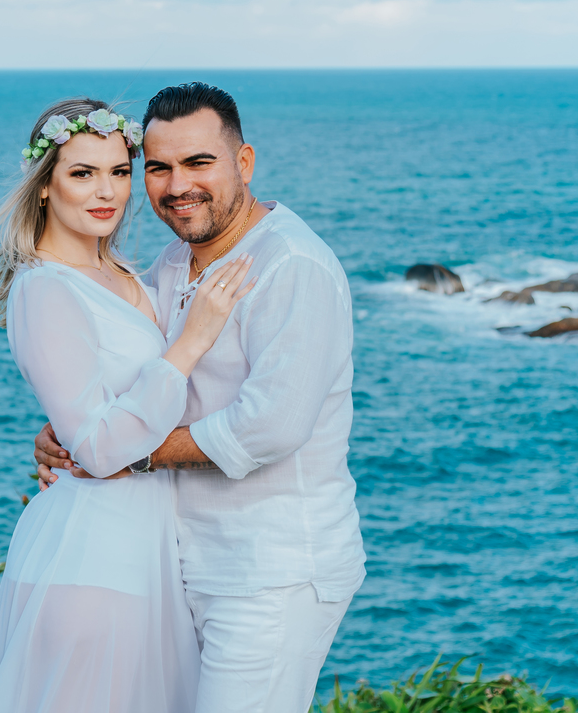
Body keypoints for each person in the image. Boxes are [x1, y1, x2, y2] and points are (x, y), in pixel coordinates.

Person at [34, 83, 366, 713]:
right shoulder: (167, 265)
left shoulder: (291, 264)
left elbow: (271, 426)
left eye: (199, 163)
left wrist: (126, 455)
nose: (177, 184)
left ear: (243, 163)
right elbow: (138, 383)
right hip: (178, 564)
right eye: (157, 167)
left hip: (270, 571)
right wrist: (73, 434)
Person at [0, 97, 255, 713]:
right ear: (44, 186)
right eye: (82, 173)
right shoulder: (42, 287)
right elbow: (99, 450)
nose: (107, 191)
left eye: (119, 171)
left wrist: (60, 431)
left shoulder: (127, 274)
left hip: (146, 553)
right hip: (91, 558)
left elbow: (97, 412)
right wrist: (191, 343)